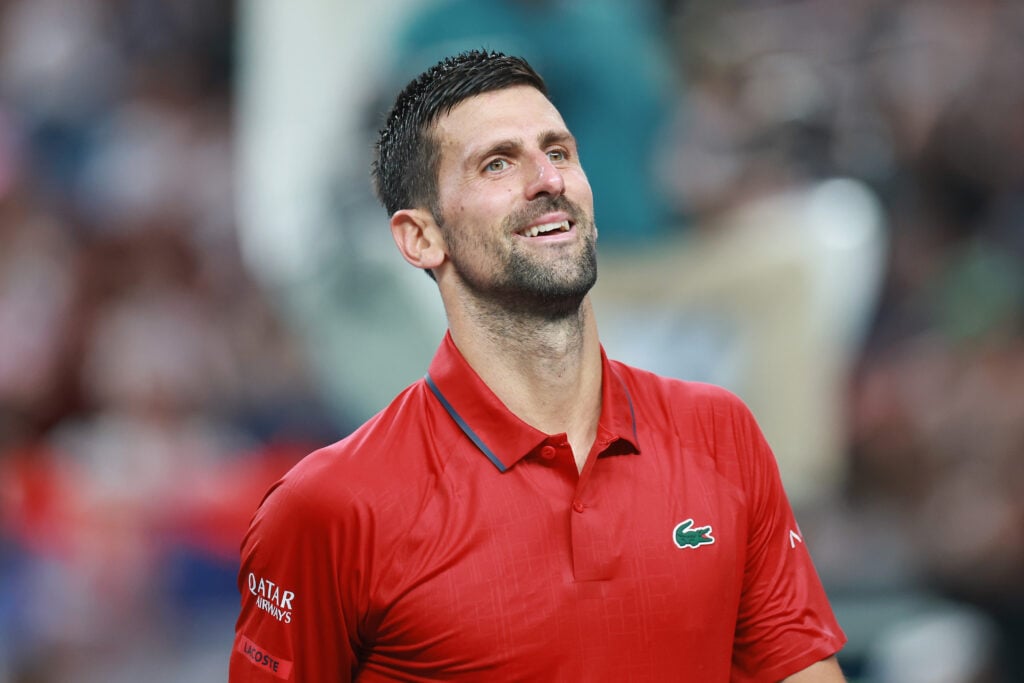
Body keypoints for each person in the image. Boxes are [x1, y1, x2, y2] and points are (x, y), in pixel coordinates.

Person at [229, 50, 847, 682]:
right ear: (420, 237)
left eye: (559, 152)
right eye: (497, 163)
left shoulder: (721, 434)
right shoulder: (327, 508)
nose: (548, 179)